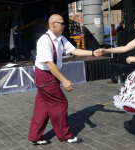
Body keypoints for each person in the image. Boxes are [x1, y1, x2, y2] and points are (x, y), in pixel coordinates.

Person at [28, 14, 101, 145]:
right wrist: (64, 80)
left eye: (63, 23)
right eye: (61, 23)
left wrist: (92, 53)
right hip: (45, 76)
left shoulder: (60, 38)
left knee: (43, 107)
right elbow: (49, 64)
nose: (64, 26)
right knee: (60, 104)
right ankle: (65, 135)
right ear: (53, 24)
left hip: (46, 76)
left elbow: (74, 51)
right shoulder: (44, 40)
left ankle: (35, 136)